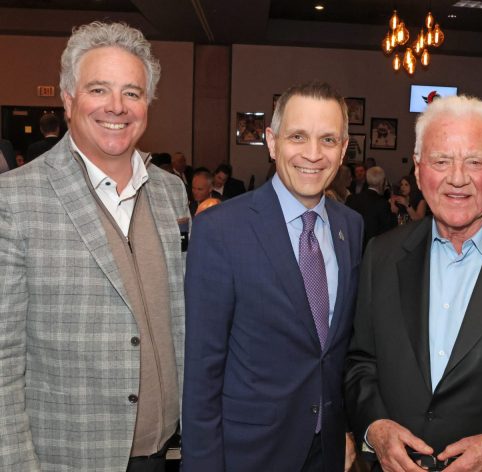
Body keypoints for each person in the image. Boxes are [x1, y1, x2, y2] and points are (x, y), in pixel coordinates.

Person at [345, 95, 482, 472]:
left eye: (474, 161)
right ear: (418, 171)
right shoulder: (381, 256)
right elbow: (361, 362)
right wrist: (376, 428)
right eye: (441, 161)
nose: (457, 178)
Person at [0, 22, 189, 471]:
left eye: (132, 93)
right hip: (68, 458)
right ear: (67, 100)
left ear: (147, 103)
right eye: (98, 89)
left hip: (170, 452)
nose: (116, 107)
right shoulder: (15, 199)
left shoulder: (171, 192)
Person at [183, 81, 363, 472]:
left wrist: (345, 428)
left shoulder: (352, 227)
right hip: (249, 454)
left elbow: (336, 351)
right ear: (272, 141)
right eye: (298, 136)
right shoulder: (221, 230)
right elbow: (202, 371)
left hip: (328, 452)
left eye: (328, 139)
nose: (313, 154)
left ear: (344, 149)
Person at [347, 166, 396, 249]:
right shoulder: (382, 204)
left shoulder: (352, 199)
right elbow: (389, 232)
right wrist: (394, 213)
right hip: (373, 250)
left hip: (352, 247)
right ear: (382, 182)